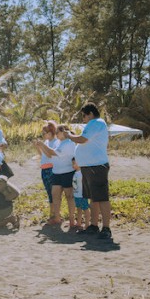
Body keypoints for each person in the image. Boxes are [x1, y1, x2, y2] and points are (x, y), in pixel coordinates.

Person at [69, 103, 112, 240]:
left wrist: (68, 136)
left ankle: (106, 228)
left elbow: (82, 139)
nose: (83, 119)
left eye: (84, 115)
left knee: (102, 198)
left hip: (96, 166)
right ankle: (93, 226)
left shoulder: (96, 122)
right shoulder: (94, 124)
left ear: (91, 114)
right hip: (89, 167)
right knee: (93, 198)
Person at [41, 125, 76, 228]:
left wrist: (42, 145)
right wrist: (41, 147)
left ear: (64, 132)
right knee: (55, 195)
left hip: (68, 172)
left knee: (69, 196)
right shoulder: (59, 143)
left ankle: (72, 220)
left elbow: (53, 152)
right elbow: (50, 155)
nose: (55, 134)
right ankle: (57, 218)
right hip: (56, 172)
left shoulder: (69, 143)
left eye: (57, 132)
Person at [32, 121, 59, 208]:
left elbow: (49, 155)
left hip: (51, 169)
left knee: (53, 193)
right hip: (44, 169)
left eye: (44, 133)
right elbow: (42, 155)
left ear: (50, 133)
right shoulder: (47, 142)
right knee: (48, 192)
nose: (42, 135)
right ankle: (52, 212)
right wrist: (38, 147)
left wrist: (42, 145)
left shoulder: (55, 142)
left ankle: (54, 212)